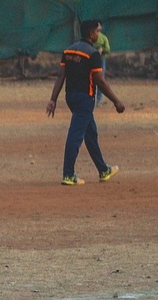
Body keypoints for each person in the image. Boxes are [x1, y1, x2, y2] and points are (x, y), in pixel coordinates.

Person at [47, 20, 124, 186]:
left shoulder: (68, 51)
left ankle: (103, 170)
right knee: (76, 135)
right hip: (85, 99)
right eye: (97, 31)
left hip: (71, 97)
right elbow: (100, 81)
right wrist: (116, 101)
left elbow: (61, 76)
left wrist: (53, 99)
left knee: (90, 134)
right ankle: (68, 174)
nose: (99, 34)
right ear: (91, 34)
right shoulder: (92, 54)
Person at [90, 25, 111, 106]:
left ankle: (98, 100)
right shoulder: (90, 37)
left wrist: (102, 49)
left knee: (100, 79)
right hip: (91, 60)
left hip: (101, 60)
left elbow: (108, 50)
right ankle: (91, 98)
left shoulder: (103, 38)